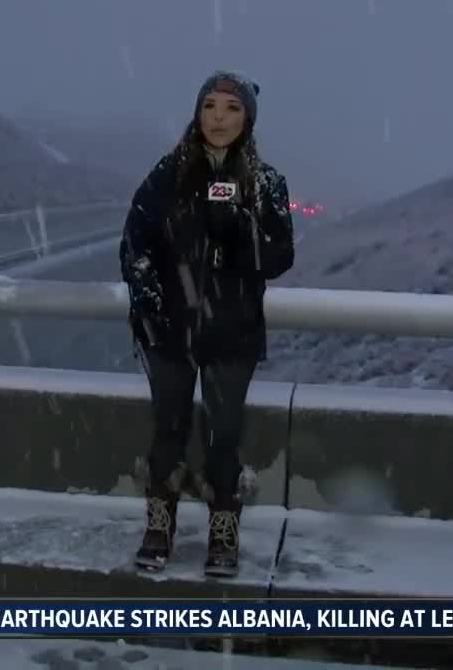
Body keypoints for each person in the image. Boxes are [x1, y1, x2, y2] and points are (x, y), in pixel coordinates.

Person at [119, 71, 295, 577]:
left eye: (232, 108)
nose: (219, 118)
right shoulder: (167, 175)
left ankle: (224, 531)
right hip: (168, 332)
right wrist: (149, 295)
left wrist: (239, 228)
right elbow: (136, 241)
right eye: (210, 106)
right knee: (168, 431)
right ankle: (159, 525)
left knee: (224, 435)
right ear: (197, 113)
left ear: (248, 119)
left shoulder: (266, 183)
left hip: (231, 335)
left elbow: (279, 256)